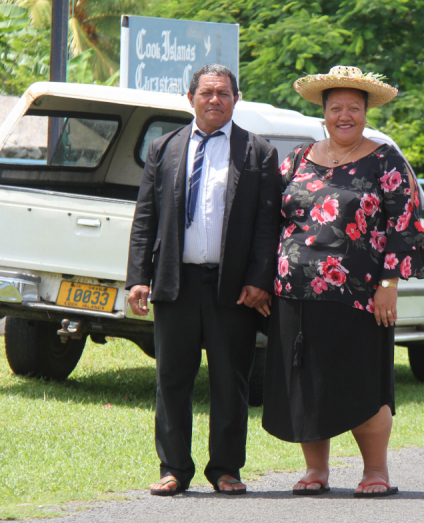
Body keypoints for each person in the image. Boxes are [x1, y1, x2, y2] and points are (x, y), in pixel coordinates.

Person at [261, 66, 424, 498]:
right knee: (304, 380)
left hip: (359, 296)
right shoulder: (299, 158)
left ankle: (375, 471)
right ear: (323, 113)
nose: (344, 115)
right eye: (335, 107)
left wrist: (389, 284)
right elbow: (271, 220)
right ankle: (315, 470)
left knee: (363, 383)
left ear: (366, 112)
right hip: (294, 295)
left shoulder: (384, 158)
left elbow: (404, 223)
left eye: (353, 108)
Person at [126, 64, 281, 496]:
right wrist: (138, 277)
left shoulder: (258, 152)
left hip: (233, 289)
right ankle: (173, 468)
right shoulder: (164, 148)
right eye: (207, 92)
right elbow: (146, 219)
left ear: (237, 99)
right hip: (175, 284)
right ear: (190, 97)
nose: (215, 100)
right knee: (172, 379)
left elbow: (269, 224)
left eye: (224, 93)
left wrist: (259, 279)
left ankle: (226, 469)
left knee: (231, 381)